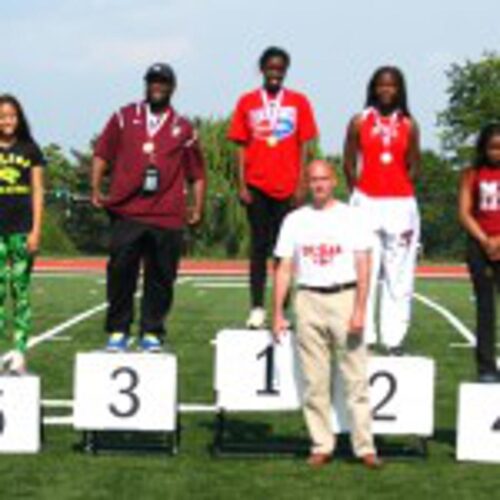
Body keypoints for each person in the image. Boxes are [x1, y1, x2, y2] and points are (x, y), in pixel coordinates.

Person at [273, 160, 382, 469]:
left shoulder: (352, 217)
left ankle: (364, 447)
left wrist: (360, 309)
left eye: (323, 179)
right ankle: (321, 444)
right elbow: (284, 268)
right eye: (312, 179)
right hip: (308, 298)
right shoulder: (294, 220)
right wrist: (278, 312)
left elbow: (364, 265)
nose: (318, 184)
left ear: (334, 181)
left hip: (344, 297)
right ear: (306, 183)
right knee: (314, 381)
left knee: (355, 379)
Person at [92, 63, 206, 352]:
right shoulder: (123, 117)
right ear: (146, 85)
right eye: (153, 81)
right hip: (127, 210)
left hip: (167, 214)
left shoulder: (184, 127)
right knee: (120, 272)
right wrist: (95, 187)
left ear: (172, 87)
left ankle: (152, 331)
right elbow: (102, 153)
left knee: (161, 276)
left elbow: (197, 173)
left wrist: (197, 205)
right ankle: (118, 330)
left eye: (163, 82)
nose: (157, 86)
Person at [228, 46, 318, 329]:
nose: (275, 73)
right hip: (257, 185)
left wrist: (302, 182)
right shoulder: (247, 102)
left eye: (280, 68)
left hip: (288, 187)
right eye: (270, 68)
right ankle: (257, 307)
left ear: (285, 71)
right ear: (262, 69)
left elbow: (305, 144)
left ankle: (282, 309)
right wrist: (241, 184)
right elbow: (240, 146)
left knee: (286, 252)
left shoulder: (299, 101)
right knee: (258, 248)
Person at [343, 66, 421, 355]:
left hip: (400, 205)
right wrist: (358, 193)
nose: (386, 90)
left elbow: (414, 164)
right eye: (381, 85)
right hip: (366, 203)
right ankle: (365, 334)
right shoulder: (358, 121)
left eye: (392, 86)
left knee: (398, 274)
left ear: (400, 90)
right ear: (373, 88)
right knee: (364, 270)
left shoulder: (409, 125)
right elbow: (349, 161)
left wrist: (400, 189)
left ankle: (394, 338)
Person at [0, 94, 45, 374]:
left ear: (20, 118)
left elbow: (38, 192)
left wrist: (36, 230)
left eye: (12, 116)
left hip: (21, 230)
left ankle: (19, 353)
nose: (7, 121)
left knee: (20, 292)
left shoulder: (30, 149)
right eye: (3, 116)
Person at [459, 123, 500, 383]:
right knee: (485, 307)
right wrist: (486, 240)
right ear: (483, 148)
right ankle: (486, 367)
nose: (497, 152)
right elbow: (464, 212)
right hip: (480, 246)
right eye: (492, 147)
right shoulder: (472, 174)